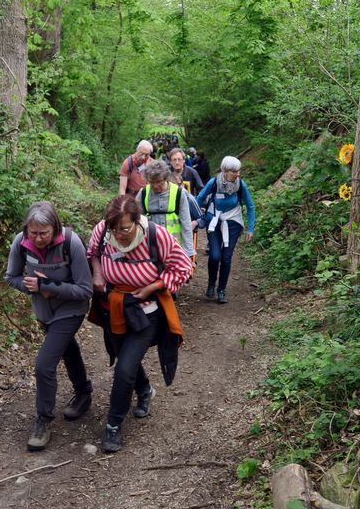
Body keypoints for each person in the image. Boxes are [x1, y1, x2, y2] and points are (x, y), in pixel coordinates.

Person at [87, 195, 192, 453]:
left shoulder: (156, 236)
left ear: (137, 220)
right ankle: (144, 390)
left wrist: (152, 287)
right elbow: (93, 254)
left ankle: (113, 425)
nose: (119, 234)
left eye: (125, 228)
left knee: (124, 369)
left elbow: (183, 267)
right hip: (113, 308)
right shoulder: (103, 231)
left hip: (146, 313)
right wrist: (98, 273)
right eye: (114, 228)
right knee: (122, 356)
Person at [5, 201, 93, 452]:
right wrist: (30, 285)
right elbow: (11, 277)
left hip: (71, 309)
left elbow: (85, 289)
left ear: (55, 227)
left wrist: (48, 286)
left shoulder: (70, 243)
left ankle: (43, 420)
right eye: (33, 233)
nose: (38, 238)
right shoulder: (20, 242)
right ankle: (83, 392)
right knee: (67, 349)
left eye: (44, 233)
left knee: (44, 365)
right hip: (43, 311)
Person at [197, 156, 255, 304]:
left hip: (233, 223)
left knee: (226, 257)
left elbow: (250, 206)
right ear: (224, 171)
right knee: (215, 256)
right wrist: (196, 217)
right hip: (214, 221)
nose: (237, 174)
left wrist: (250, 228)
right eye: (233, 171)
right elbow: (198, 198)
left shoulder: (241, 185)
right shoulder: (214, 183)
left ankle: (221, 290)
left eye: (238, 171)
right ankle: (211, 284)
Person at [136, 159, 194, 259]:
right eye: (151, 182)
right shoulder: (143, 193)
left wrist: (188, 253)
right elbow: (136, 222)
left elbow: (186, 224)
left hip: (174, 248)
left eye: (159, 182)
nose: (155, 186)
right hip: (150, 248)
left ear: (166, 178)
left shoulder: (179, 193)